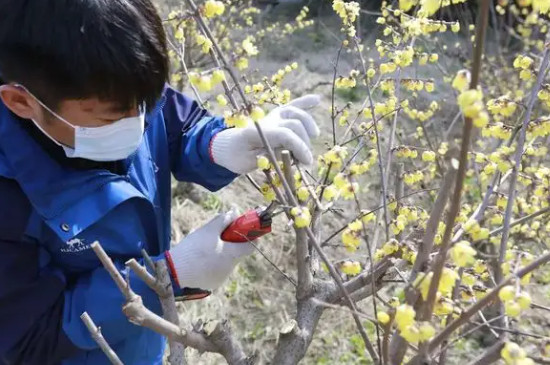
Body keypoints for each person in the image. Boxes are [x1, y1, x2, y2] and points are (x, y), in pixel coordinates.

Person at [0, 1, 320, 364]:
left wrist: (219, 146)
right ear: (21, 101)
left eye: (143, 104)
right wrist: (161, 281)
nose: (136, 122)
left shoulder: (118, 84)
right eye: (112, 117)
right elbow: (28, 339)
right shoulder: (7, 196)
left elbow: (175, 124)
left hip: (142, 344)